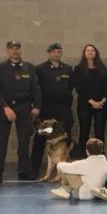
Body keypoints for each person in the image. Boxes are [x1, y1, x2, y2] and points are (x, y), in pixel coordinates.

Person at [0, 41, 42, 183]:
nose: (15, 51)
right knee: (1, 141)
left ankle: (24, 171)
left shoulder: (29, 67)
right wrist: (5, 108)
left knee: (24, 141)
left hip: (24, 107)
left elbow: (36, 89)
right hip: (5, 108)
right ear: (7, 50)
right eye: (12, 48)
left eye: (17, 48)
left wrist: (37, 106)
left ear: (21, 50)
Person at [31, 43, 74, 178]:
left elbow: (70, 87)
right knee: (40, 138)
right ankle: (34, 169)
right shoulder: (40, 69)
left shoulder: (67, 69)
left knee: (65, 140)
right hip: (47, 111)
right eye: (54, 51)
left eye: (59, 51)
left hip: (63, 110)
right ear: (49, 53)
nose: (57, 54)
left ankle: (65, 171)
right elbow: (36, 89)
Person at [73, 44, 107, 157]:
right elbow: (79, 88)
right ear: (84, 53)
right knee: (84, 132)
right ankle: (82, 156)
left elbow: (106, 86)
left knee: (100, 132)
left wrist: (102, 101)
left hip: (101, 105)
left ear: (96, 53)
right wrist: (92, 102)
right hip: (85, 105)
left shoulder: (102, 68)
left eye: (92, 50)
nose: (90, 52)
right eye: (87, 50)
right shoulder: (78, 69)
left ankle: (100, 156)